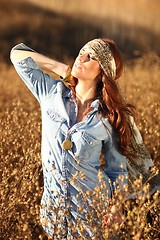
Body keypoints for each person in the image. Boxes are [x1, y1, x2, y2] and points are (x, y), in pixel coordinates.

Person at [10, 38, 156, 239]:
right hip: (54, 216)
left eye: (91, 56)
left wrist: (116, 207)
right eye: (83, 51)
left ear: (103, 72)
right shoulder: (51, 93)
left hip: (93, 217)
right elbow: (17, 55)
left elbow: (117, 170)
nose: (82, 57)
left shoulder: (108, 118)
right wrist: (60, 68)